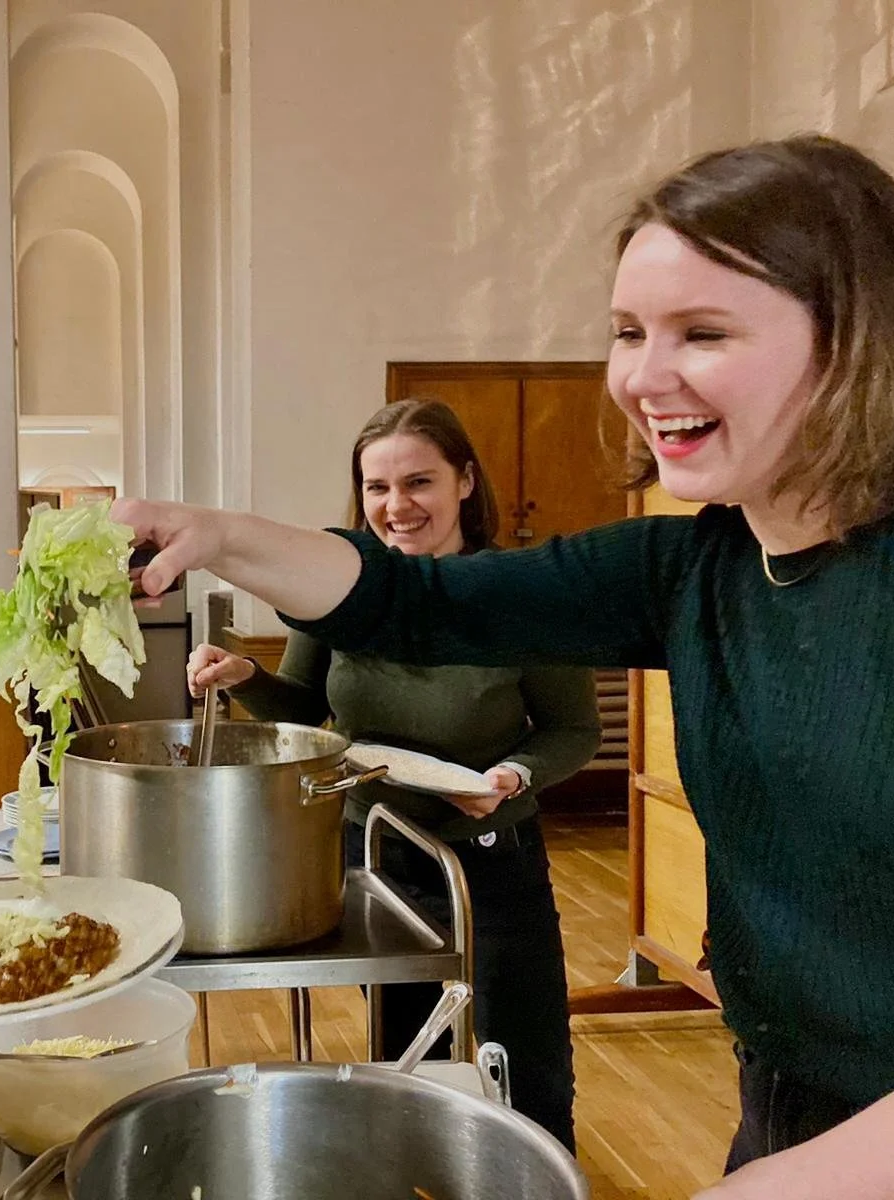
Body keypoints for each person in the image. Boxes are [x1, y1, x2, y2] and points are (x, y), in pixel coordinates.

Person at [115, 135, 894, 1200]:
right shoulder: (692, 566)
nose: (642, 377)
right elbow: (414, 602)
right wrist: (218, 534)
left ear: (851, 342)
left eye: (701, 333)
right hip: (791, 1105)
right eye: (627, 333)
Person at [186, 398, 598, 1148]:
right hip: (375, 851)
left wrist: (513, 774)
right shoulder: (340, 591)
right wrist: (245, 676)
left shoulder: (521, 598)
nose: (396, 506)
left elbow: (573, 730)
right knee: (408, 1045)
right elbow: (304, 703)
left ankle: (540, 1173)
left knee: (526, 1053)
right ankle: (417, 1171)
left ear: (465, 481)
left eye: (418, 482)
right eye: (377, 487)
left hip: (489, 858)